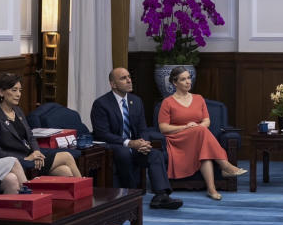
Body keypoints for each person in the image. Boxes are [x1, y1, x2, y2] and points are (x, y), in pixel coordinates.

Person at [91, 68, 182, 209]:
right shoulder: (101, 104)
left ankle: (161, 196)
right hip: (113, 145)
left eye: (129, 76)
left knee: (155, 154)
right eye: (123, 78)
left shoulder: (136, 101)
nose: (129, 80)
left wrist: (143, 143)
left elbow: (142, 129)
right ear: (113, 84)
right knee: (123, 152)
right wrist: (129, 143)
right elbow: (102, 133)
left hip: (135, 145)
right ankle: (131, 194)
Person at [157, 66, 246, 201]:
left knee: (204, 146)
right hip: (178, 140)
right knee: (201, 132)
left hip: (198, 136)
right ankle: (225, 165)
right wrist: (185, 127)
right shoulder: (167, 102)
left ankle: (211, 189)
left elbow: (206, 122)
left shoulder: (199, 98)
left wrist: (196, 128)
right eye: (183, 79)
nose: (188, 82)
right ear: (175, 83)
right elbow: (163, 128)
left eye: (189, 78)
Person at [0, 73, 81, 178]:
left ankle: (77, 192)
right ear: (1, 92)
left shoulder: (17, 111)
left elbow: (30, 135)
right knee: (67, 156)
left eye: (20, 90)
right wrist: (25, 159)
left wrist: (37, 152)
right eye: (14, 90)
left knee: (65, 171)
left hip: (32, 156)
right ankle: (86, 191)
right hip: (19, 162)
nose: (18, 94)